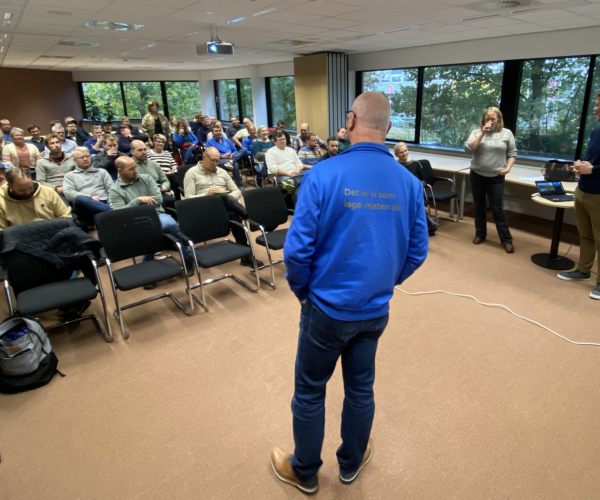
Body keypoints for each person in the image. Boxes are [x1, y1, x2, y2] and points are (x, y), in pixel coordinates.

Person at [270, 92, 428, 495]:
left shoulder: (322, 175)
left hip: (324, 308)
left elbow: (297, 249)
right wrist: (385, 281)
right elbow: (417, 251)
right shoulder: (410, 183)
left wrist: (304, 291)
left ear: (351, 121)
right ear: (388, 128)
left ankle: (304, 471)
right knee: (361, 388)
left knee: (310, 390)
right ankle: (351, 463)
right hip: (374, 310)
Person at [109, 157, 194, 281]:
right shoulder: (115, 190)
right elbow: (120, 212)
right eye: (131, 169)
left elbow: (158, 199)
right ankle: (148, 265)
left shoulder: (146, 178)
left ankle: (187, 256)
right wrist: (138, 200)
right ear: (120, 171)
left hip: (156, 215)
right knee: (148, 232)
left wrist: (134, 206)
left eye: (135, 167)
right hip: (133, 221)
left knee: (171, 224)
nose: (135, 170)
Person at [183, 147, 263, 268]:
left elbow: (237, 190)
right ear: (204, 157)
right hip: (202, 208)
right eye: (213, 160)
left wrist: (228, 196)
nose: (215, 164)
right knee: (223, 198)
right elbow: (188, 198)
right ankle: (248, 215)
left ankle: (246, 256)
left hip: (223, 208)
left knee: (234, 216)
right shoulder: (191, 173)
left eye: (217, 161)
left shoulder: (222, 172)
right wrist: (207, 195)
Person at [557, 90, 600, 300]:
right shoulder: (597, 130)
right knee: (586, 235)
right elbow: (591, 157)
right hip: (583, 189)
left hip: (599, 194)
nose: (596, 108)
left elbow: (596, 166)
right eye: (596, 104)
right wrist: (580, 165)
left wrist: (593, 170)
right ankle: (583, 271)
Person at [465, 107, 517, 253]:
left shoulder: (506, 133)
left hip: (496, 176)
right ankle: (480, 234)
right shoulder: (476, 132)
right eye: (487, 118)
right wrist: (482, 133)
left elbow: (512, 153)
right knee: (479, 207)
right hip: (477, 174)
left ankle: (506, 240)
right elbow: (468, 149)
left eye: (493, 119)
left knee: (497, 208)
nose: (490, 121)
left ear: (498, 119)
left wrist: (507, 169)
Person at [0, 168, 70, 230]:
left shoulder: (48, 192)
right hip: (21, 238)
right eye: (22, 190)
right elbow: (3, 232)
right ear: (10, 186)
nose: (27, 192)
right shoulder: (1, 200)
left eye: (30, 187)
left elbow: (65, 217)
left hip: (51, 233)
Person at [394, 142, 438, 236]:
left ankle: (426, 224)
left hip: (415, 191)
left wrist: (417, 185)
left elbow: (424, 180)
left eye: (405, 150)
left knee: (413, 201)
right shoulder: (395, 165)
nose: (404, 153)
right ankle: (429, 222)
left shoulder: (415, 164)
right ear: (396, 154)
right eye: (401, 152)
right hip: (400, 192)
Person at [63, 147, 113, 226]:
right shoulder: (70, 175)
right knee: (79, 198)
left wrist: (111, 203)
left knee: (98, 216)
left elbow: (111, 189)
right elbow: (68, 193)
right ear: (75, 160)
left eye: (87, 156)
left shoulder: (101, 172)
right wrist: (89, 197)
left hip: (103, 202)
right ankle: (111, 211)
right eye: (81, 157)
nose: (85, 159)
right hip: (84, 207)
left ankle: (107, 211)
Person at [130, 140, 175, 210]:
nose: (144, 152)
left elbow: (165, 180)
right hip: (139, 196)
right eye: (140, 150)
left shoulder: (154, 164)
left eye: (145, 149)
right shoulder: (128, 167)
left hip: (158, 193)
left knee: (171, 201)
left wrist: (165, 187)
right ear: (132, 152)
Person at [265, 131, 306, 203]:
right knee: (298, 188)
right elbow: (273, 168)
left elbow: (299, 163)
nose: (282, 141)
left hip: (296, 174)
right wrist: (288, 174)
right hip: (282, 177)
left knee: (308, 173)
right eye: (280, 140)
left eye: (284, 139)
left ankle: (294, 181)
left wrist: (296, 170)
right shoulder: (271, 152)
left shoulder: (291, 150)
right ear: (275, 142)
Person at [36, 134, 77, 204]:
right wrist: (56, 188)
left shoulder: (72, 158)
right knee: (62, 204)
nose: (56, 145)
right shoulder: (41, 162)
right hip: (53, 190)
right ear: (47, 146)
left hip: (71, 188)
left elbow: (78, 175)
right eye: (52, 143)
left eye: (57, 142)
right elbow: (41, 182)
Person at [206, 124, 244, 189]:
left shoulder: (227, 140)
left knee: (244, 149)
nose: (218, 132)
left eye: (219, 131)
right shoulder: (209, 142)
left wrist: (233, 154)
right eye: (216, 131)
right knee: (235, 164)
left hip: (231, 157)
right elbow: (209, 153)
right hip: (220, 159)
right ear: (212, 133)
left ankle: (232, 161)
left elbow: (235, 150)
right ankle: (240, 186)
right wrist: (221, 156)